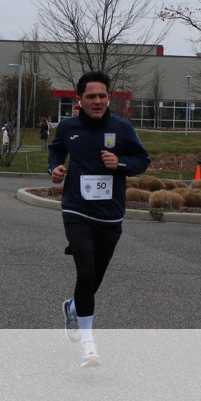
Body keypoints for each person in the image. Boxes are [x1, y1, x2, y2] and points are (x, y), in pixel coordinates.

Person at [48, 71, 150, 367]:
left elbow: (142, 160)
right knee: (86, 272)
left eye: (102, 96)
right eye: (91, 96)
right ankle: (88, 345)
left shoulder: (121, 128)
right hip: (77, 210)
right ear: (79, 99)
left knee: (94, 279)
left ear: (109, 97)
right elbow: (56, 151)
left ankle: (73, 307)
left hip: (110, 216)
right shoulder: (68, 127)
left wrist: (121, 164)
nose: (97, 101)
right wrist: (55, 168)